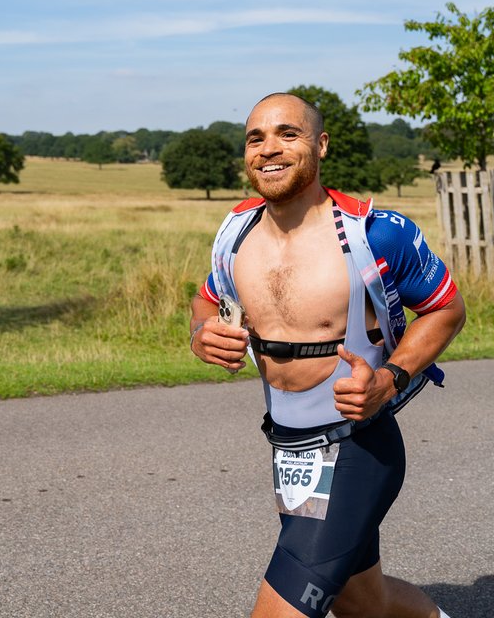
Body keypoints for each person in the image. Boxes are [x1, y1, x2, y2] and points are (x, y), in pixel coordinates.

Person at [189, 93, 466, 618]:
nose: (268, 148)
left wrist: (391, 377)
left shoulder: (373, 233)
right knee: (365, 605)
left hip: (358, 447)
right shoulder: (235, 235)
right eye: (255, 138)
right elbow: (206, 297)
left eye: (287, 134)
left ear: (320, 145)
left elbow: (446, 309)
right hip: (288, 448)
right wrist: (202, 330)